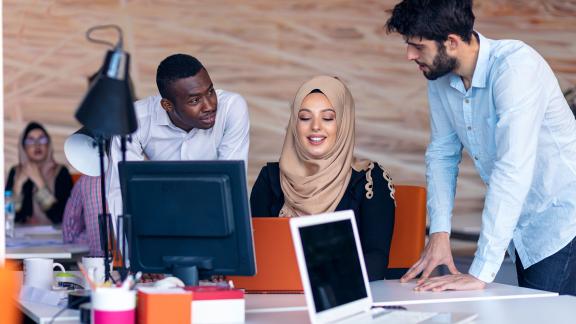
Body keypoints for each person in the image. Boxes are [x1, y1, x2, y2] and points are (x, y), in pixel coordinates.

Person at [386, 0, 576, 294]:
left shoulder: (515, 69)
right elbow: (442, 155)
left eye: (417, 46)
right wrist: (439, 234)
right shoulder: (439, 76)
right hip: (521, 226)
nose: (409, 55)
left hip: (562, 218)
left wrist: (480, 272)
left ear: (450, 42)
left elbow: (512, 169)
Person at [250, 76, 396, 281]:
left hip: (342, 299)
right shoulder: (271, 178)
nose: (315, 127)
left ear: (344, 123)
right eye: (304, 117)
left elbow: (376, 260)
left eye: (328, 118)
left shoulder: (369, 179)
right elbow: (257, 252)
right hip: (279, 296)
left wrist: (317, 282)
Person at [107, 54, 250, 219]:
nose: (210, 106)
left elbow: (230, 183)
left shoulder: (231, 108)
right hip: (164, 217)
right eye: (195, 100)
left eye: (210, 91)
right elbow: (121, 190)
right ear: (167, 105)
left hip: (220, 216)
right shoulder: (135, 120)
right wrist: (131, 244)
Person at [5, 122, 73, 225]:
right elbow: (9, 218)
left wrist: (39, 182)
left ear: (48, 144)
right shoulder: (15, 172)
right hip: (21, 237)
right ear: (23, 147)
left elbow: (62, 216)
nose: (37, 145)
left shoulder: (61, 172)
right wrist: (18, 185)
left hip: (55, 236)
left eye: (42, 139)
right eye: (30, 140)